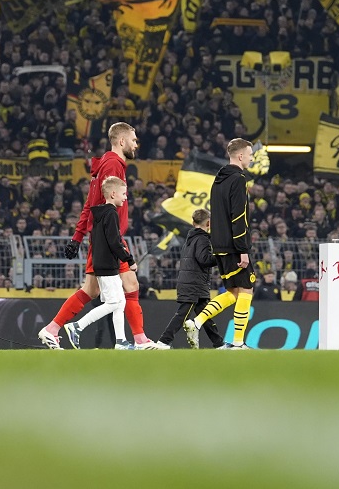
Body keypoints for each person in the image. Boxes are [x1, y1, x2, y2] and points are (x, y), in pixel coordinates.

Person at [39, 122, 160, 349]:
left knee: (91, 290)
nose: (136, 144)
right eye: (134, 140)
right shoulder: (113, 165)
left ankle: (52, 329)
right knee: (130, 285)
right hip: (108, 235)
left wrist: (78, 237)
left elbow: (89, 203)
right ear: (122, 141)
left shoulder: (108, 163)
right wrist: (88, 236)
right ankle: (139, 340)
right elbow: (97, 205)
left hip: (102, 235)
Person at [184, 138, 256, 349]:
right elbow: (238, 216)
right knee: (246, 289)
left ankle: (196, 323)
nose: (251, 159)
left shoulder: (218, 179)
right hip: (234, 245)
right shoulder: (239, 180)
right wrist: (243, 248)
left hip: (219, 244)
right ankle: (238, 342)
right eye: (250, 155)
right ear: (240, 156)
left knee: (233, 292)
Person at [62, 177, 136, 349]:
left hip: (103, 263)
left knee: (120, 301)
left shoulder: (99, 214)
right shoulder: (111, 214)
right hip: (108, 265)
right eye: (123, 193)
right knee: (114, 303)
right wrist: (129, 260)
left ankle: (120, 341)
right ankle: (77, 326)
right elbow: (115, 242)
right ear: (113, 194)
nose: (125, 198)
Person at [154, 209, 223, 349]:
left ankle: (219, 343)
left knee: (205, 314)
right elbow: (204, 260)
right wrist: (221, 258)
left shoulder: (190, 238)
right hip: (194, 283)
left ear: (193, 223)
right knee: (183, 314)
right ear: (209, 223)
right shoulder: (203, 239)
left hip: (191, 281)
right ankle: (163, 341)